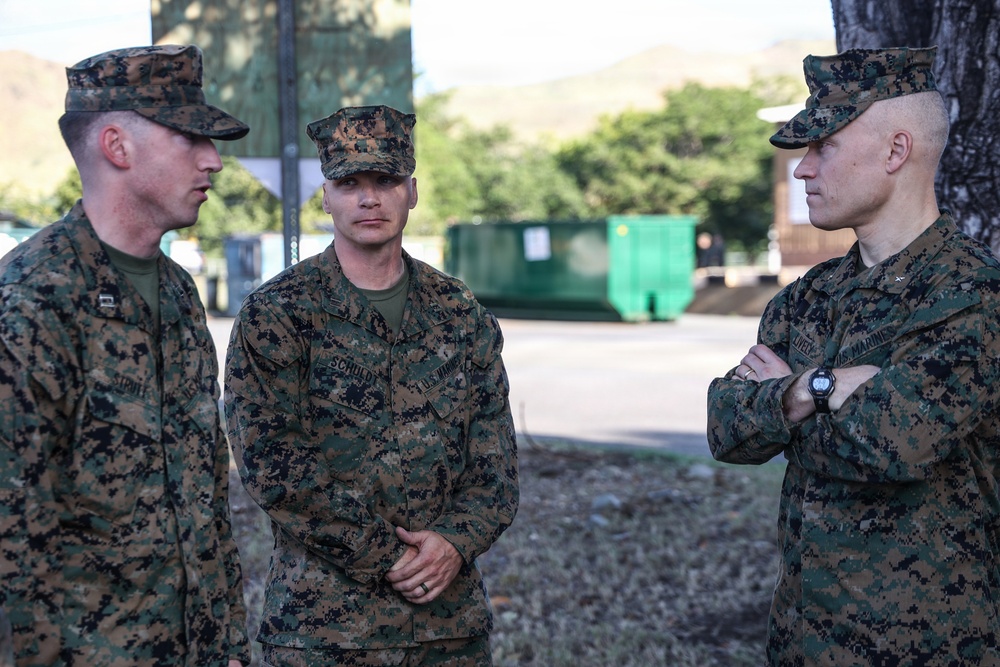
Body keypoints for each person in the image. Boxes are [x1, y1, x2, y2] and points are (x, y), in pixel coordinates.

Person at [706, 46, 1000, 665]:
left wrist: (787, 402)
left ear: (897, 151)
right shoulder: (806, 298)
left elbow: (897, 444)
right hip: (803, 640)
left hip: (934, 647)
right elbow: (728, 429)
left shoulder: (975, 296)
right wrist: (819, 387)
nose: (802, 170)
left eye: (824, 146)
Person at [224, 104, 519, 666]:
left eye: (385, 181)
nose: (368, 199)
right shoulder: (279, 314)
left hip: (448, 629)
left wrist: (454, 542)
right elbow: (273, 467)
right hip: (325, 632)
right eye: (348, 184)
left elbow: (495, 465)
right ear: (326, 197)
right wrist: (391, 557)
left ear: (412, 191)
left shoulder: (459, 312)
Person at [0, 45, 251, 666]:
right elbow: (13, 537)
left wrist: (228, 645)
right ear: (117, 146)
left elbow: (205, 495)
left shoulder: (177, 291)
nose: (213, 160)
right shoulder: (33, 299)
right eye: (190, 137)